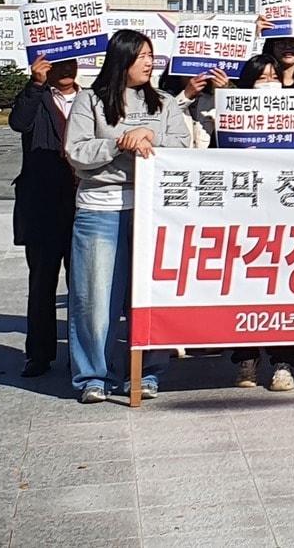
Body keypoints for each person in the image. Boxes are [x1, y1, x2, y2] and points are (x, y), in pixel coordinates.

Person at [64, 29, 191, 402]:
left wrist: (149, 140)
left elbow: (182, 146)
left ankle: (148, 372)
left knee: (149, 296)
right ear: (121, 60)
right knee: (95, 298)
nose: (150, 63)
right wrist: (118, 142)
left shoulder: (164, 102)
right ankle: (93, 376)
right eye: (141, 57)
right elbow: (76, 151)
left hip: (152, 208)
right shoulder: (90, 101)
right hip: (100, 207)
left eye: (152, 56)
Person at [227, 54, 294, 390]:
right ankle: (246, 359)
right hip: (245, 208)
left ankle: (283, 359)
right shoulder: (232, 112)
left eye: (274, 76)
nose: (269, 82)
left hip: (285, 209)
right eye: (261, 77)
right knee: (246, 284)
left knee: (284, 285)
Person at [8, 55, 80, 378]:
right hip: (42, 207)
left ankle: (82, 355)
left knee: (83, 285)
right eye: (58, 64)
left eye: (71, 63)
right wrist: (36, 84)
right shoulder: (36, 97)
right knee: (41, 284)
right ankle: (39, 353)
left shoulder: (90, 99)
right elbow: (18, 122)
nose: (66, 69)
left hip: (82, 205)